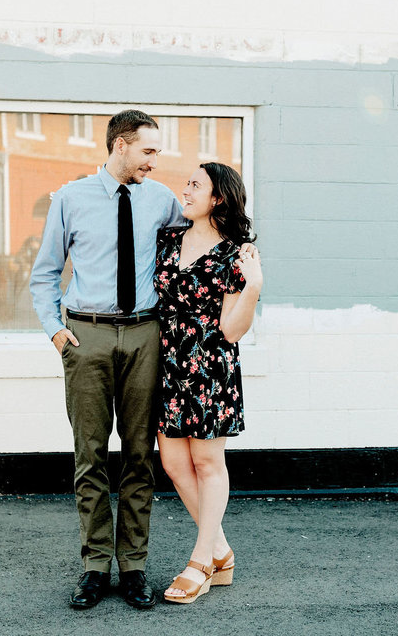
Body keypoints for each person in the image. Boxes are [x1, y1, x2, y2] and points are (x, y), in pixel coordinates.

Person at [30, 110, 185, 610]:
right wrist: (56, 331)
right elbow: (44, 274)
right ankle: (96, 567)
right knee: (90, 456)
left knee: (140, 455)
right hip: (87, 338)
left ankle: (134, 568)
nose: (154, 162)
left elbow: (197, 248)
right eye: (148, 151)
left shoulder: (161, 201)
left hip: (146, 335)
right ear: (120, 145)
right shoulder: (70, 198)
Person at [154, 162, 263, 604]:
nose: (187, 189)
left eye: (196, 184)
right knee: (174, 463)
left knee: (206, 462)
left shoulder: (235, 254)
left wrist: (253, 286)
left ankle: (201, 561)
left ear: (218, 198)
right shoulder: (167, 238)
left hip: (208, 367)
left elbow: (232, 330)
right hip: (165, 364)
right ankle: (220, 549)